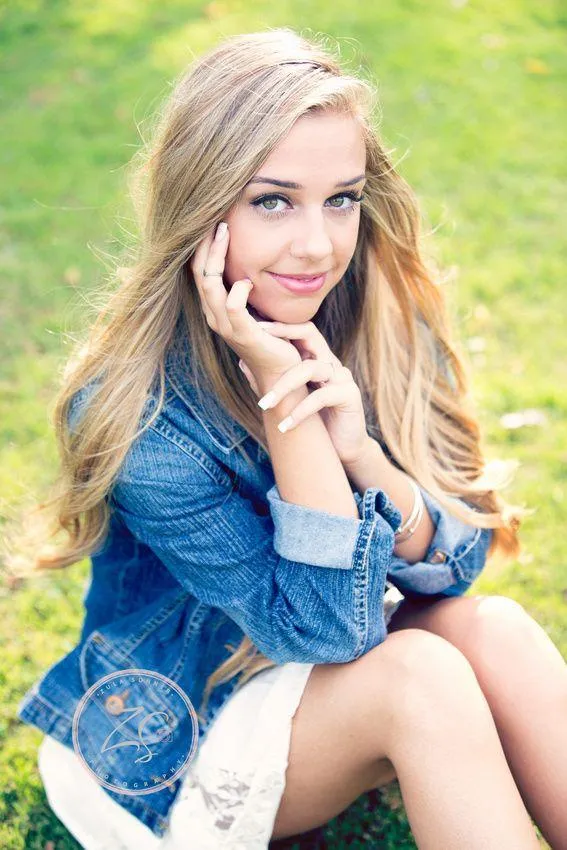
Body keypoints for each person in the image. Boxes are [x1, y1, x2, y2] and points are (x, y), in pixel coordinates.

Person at [10, 27, 566, 850]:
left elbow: (456, 566)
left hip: (329, 680)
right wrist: (288, 406)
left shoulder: (373, 315)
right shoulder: (136, 413)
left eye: (340, 198)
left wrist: (362, 454)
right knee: (421, 675)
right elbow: (321, 628)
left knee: (496, 630)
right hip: (178, 735)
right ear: (201, 207)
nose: (317, 245)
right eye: (272, 200)